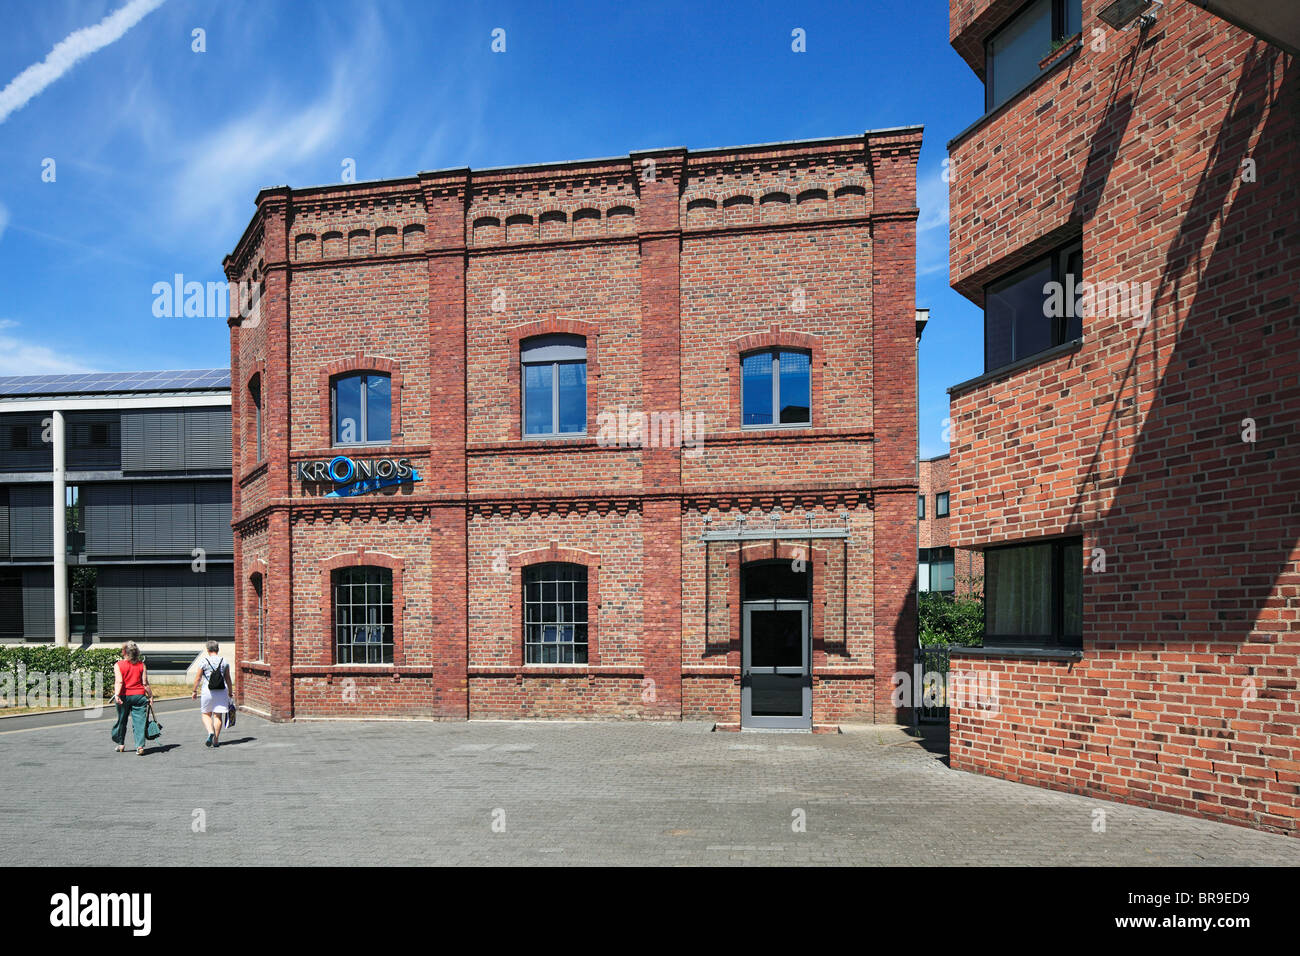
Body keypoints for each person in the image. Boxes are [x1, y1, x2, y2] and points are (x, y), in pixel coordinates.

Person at [111, 642, 153, 756]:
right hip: (139, 696)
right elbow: (145, 683)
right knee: (139, 722)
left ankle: (120, 744)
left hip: (124, 696)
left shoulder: (118, 665)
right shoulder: (141, 665)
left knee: (121, 720)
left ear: (124, 652)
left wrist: (117, 695)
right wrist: (150, 696)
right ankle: (139, 746)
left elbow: (119, 681)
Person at [191, 641, 235, 748]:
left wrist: (194, 691)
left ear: (208, 650)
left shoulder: (204, 661)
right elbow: (228, 678)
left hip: (208, 690)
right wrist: (230, 691)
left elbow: (198, 678)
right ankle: (216, 740)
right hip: (221, 690)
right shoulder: (224, 661)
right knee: (218, 715)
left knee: (206, 714)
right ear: (217, 649)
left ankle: (210, 731)